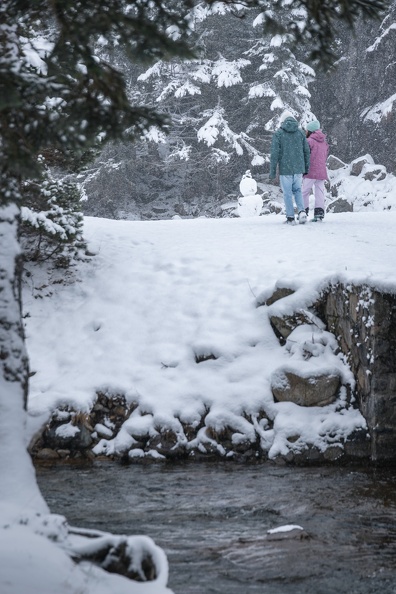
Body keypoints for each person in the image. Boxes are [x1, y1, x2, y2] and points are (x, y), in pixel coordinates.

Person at [269, 111, 310, 225]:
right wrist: (306, 168)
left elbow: (274, 154)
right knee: (298, 190)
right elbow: (306, 152)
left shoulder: (279, 134)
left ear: (283, 121)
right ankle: (301, 211)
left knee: (287, 193)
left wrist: (272, 172)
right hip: (298, 169)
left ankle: (291, 217)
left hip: (285, 169)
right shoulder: (301, 133)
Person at [302, 119, 329, 221]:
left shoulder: (309, 141)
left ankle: (303, 211)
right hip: (321, 171)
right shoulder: (324, 143)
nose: (305, 132)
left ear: (310, 131)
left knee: (304, 192)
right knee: (319, 192)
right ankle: (319, 213)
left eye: (306, 130)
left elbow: (305, 156)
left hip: (310, 171)